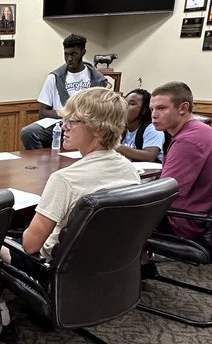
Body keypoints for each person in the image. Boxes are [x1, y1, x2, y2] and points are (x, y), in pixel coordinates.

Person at [13, 88, 141, 261]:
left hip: (53, 264)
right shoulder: (129, 169)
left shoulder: (65, 179)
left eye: (71, 121)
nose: (63, 126)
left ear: (98, 129)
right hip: (106, 260)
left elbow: (30, 245)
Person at [150, 81, 212, 240]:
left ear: (183, 108)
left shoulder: (189, 141)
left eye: (161, 108)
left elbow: (165, 191)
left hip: (185, 221)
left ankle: (143, 263)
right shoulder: (200, 131)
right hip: (200, 212)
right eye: (152, 109)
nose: (154, 115)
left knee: (116, 216)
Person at [20, 34, 111, 149]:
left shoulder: (97, 79)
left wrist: (80, 118)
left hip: (87, 124)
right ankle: (44, 163)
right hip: (60, 122)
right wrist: (68, 114)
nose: (69, 58)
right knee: (28, 133)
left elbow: (102, 110)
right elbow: (43, 112)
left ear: (83, 52)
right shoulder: (54, 77)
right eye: (66, 54)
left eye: (73, 54)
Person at [117, 88, 164, 163]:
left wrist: (117, 147)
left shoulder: (152, 128)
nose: (124, 107)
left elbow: (150, 156)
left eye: (132, 104)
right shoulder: (121, 127)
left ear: (144, 110)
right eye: (124, 103)